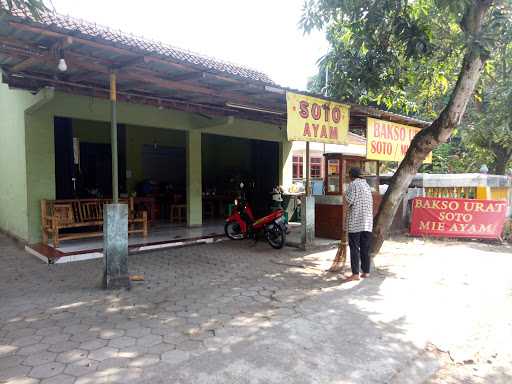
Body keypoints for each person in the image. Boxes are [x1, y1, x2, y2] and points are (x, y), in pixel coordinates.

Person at [344, 167, 373, 281]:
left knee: (354, 248)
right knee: (365, 247)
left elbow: (349, 201)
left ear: (352, 176)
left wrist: (344, 195)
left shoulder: (353, 185)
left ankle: (355, 274)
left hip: (356, 222)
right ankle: (366, 272)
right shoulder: (366, 185)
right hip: (367, 222)